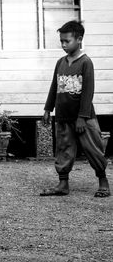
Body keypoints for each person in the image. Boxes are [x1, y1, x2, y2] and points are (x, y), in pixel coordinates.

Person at [41, 20, 110, 197]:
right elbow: (54, 86)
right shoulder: (60, 62)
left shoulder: (86, 62)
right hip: (63, 117)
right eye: (61, 41)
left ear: (79, 40)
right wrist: (48, 109)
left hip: (83, 118)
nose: (63, 45)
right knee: (63, 149)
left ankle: (103, 182)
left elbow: (88, 91)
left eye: (67, 41)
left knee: (93, 148)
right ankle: (63, 184)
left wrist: (82, 116)